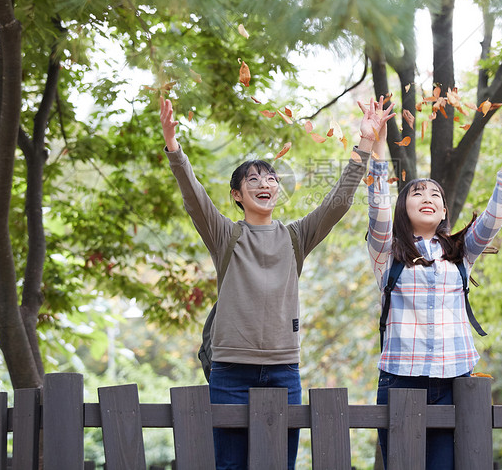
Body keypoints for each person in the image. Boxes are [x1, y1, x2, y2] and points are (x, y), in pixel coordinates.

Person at [159, 95, 394, 470]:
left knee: (278, 466)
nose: (265, 183)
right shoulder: (225, 236)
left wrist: (365, 141)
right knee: (231, 467)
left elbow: (337, 202)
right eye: (253, 179)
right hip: (231, 368)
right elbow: (194, 199)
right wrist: (174, 146)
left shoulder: (295, 236)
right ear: (237, 195)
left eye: (270, 178)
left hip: (284, 369)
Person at [366, 105, 502, 469]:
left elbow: (495, 215)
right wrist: (377, 147)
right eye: (417, 194)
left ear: (444, 211)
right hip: (401, 380)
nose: (427, 198)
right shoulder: (386, 252)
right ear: (403, 207)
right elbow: (377, 206)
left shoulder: (460, 252)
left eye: (435, 196)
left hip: (455, 382)